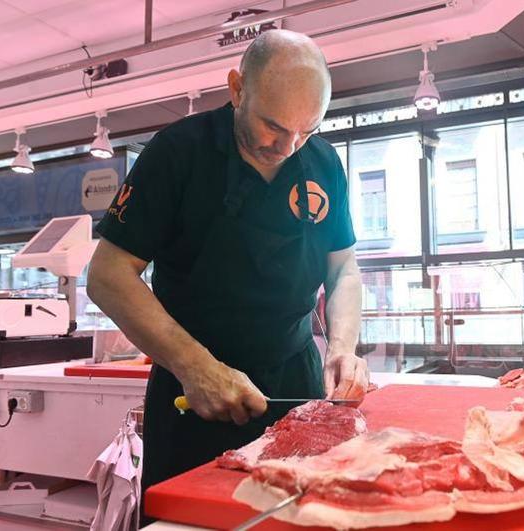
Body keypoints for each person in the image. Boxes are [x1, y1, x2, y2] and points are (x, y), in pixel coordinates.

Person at [87, 29, 369, 499]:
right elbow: (107, 274)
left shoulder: (322, 162)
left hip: (295, 380)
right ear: (237, 89)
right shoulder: (178, 153)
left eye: (308, 130)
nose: (289, 146)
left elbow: (343, 270)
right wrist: (195, 366)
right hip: (193, 390)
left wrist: (342, 348)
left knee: (300, 515)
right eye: (274, 127)